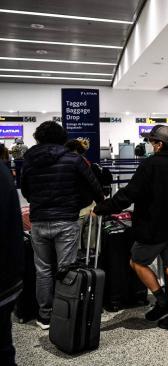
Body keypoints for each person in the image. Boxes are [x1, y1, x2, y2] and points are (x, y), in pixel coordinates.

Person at [93, 125, 168, 334]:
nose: (150, 146)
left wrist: (103, 208)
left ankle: (161, 300)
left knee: (137, 262)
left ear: (159, 144)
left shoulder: (150, 165)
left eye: (152, 142)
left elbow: (129, 194)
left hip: (154, 228)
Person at [21, 121, 104, 330]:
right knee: (66, 270)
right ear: (62, 138)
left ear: (38, 138)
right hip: (67, 220)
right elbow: (93, 185)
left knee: (43, 270)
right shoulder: (74, 159)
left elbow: (25, 190)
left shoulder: (29, 160)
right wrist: (94, 203)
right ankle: (64, 312)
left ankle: (45, 316)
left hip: (38, 221)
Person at [0, 163, 24, 366]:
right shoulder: (3, 170)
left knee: (44, 268)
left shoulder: (30, 161)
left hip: (41, 218)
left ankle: (43, 312)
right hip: (6, 280)